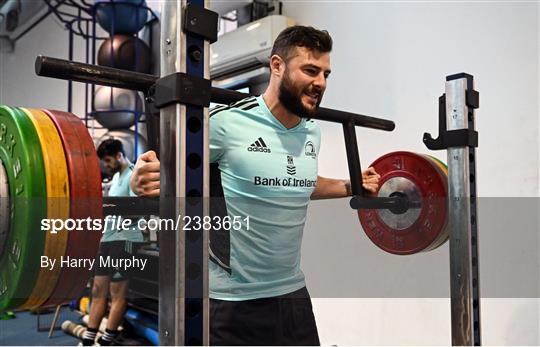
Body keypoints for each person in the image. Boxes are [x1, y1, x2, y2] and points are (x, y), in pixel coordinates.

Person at [130, 26, 380, 345]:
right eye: (310, 70)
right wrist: (143, 177)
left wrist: (351, 185)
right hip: (233, 303)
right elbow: (166, 169)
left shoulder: (311, 133)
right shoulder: (227, 125)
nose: (320, 83)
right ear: (277, 66)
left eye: (326, 74)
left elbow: (294, 181)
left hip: (293, 296)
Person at [81, 139, 143, 346]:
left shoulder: (134, 174)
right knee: (98, 291)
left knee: (117, 294)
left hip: (125, 240)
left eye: (107, 160)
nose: (105, 166)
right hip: (108, 239)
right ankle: (89, 339)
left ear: (118, 155)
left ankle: (106, 340)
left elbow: (139, 209)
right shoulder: (115, 177)